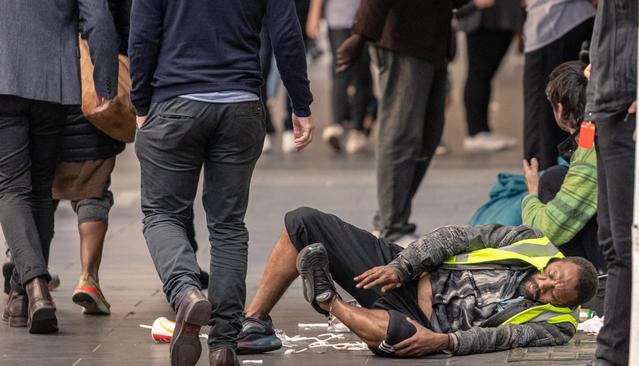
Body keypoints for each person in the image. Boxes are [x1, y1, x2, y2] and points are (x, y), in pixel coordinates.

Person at [128, 0, 315, 365]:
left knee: (162, 214)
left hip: (174, 101)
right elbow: (286, 34)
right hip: (241, 106)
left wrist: (140, 103)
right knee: (228, 225)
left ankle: (186, 295)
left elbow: (143, 34)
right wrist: (301, 103)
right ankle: (225, 343)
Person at [237, 207, 598, 356]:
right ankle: (254, 323)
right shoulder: (530, 240)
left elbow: (500, 337)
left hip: (424, 322)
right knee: (302, 221)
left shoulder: (557, 328)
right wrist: (400, 267)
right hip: (407, 276)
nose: (545, 287)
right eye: (551, 277)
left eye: (555, 295)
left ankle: (328, 301)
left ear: (567, 306)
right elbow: (456, 236)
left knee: (400, 337)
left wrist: (444, 340)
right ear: (555, 263)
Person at [0, 0, 117, 334]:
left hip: (3, 75)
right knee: (40, 185)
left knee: (10, 187)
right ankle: (27, 294)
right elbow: (98, 16)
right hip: (54, 83)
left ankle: (33, 287)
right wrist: (105, 79)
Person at [336, 0, 453, 244]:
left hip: (432, 39)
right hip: (402, 41)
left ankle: (390, 218)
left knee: (428, 137)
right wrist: (360, 35)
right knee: (401, 134)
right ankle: (392, 226)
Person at [586, 1, 638, 365]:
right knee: (613, 242)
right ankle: (614, 351)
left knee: (624, 245)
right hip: (609, 103)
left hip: (627, 103)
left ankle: (612, 353)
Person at [521, 61, 605, 273]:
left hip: (617, 258)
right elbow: (583, 138)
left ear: (559, 109)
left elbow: (545, 228)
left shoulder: (591, 149)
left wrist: (531, 195)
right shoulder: (593, 130)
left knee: (551, 180)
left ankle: (597, 284)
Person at [522, 0, 595, 170]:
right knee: (579, 107)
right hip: (561, 22)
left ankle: (542, 177)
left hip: (557, 22)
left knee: (544, 116)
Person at [306, 0, 373, 154]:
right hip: (338, 18)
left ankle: (358, 128)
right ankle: (337, 123)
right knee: (340, 70)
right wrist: (314, 15)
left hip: (365, 19)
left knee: (361, 73)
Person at [457, 0, 523, 152]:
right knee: (479, 74)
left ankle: (483, 130)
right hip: (483, 19)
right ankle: (476, 132)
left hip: (501, 17)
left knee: (484, 76)